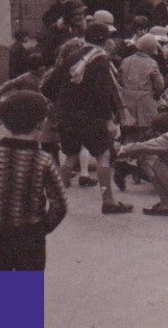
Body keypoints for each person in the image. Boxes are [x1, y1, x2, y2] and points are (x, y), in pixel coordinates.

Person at [0, 91, 66, 270]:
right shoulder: (43, 160)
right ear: (40, 124)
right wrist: (43, 229)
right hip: (31, 237)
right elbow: (60, 204)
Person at [42, 22, 133, 214]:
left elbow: (47, 88)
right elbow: (103, 92)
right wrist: (108, 118)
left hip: (66, 116)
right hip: (91, 117)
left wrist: (65, 102)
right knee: (104, 156)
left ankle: (54, 202)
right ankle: (108, 201)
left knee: (70, 157)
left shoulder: (72, 57)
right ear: (105, 40)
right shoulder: (100, 60)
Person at [117, 35, 166, 148]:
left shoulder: (126, 60)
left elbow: (119, 81)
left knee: (128, 133)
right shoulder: (152, 63)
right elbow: (160, 85)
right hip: (145, 102)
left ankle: (125, 157)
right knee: (146, 135)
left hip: (126, 101)